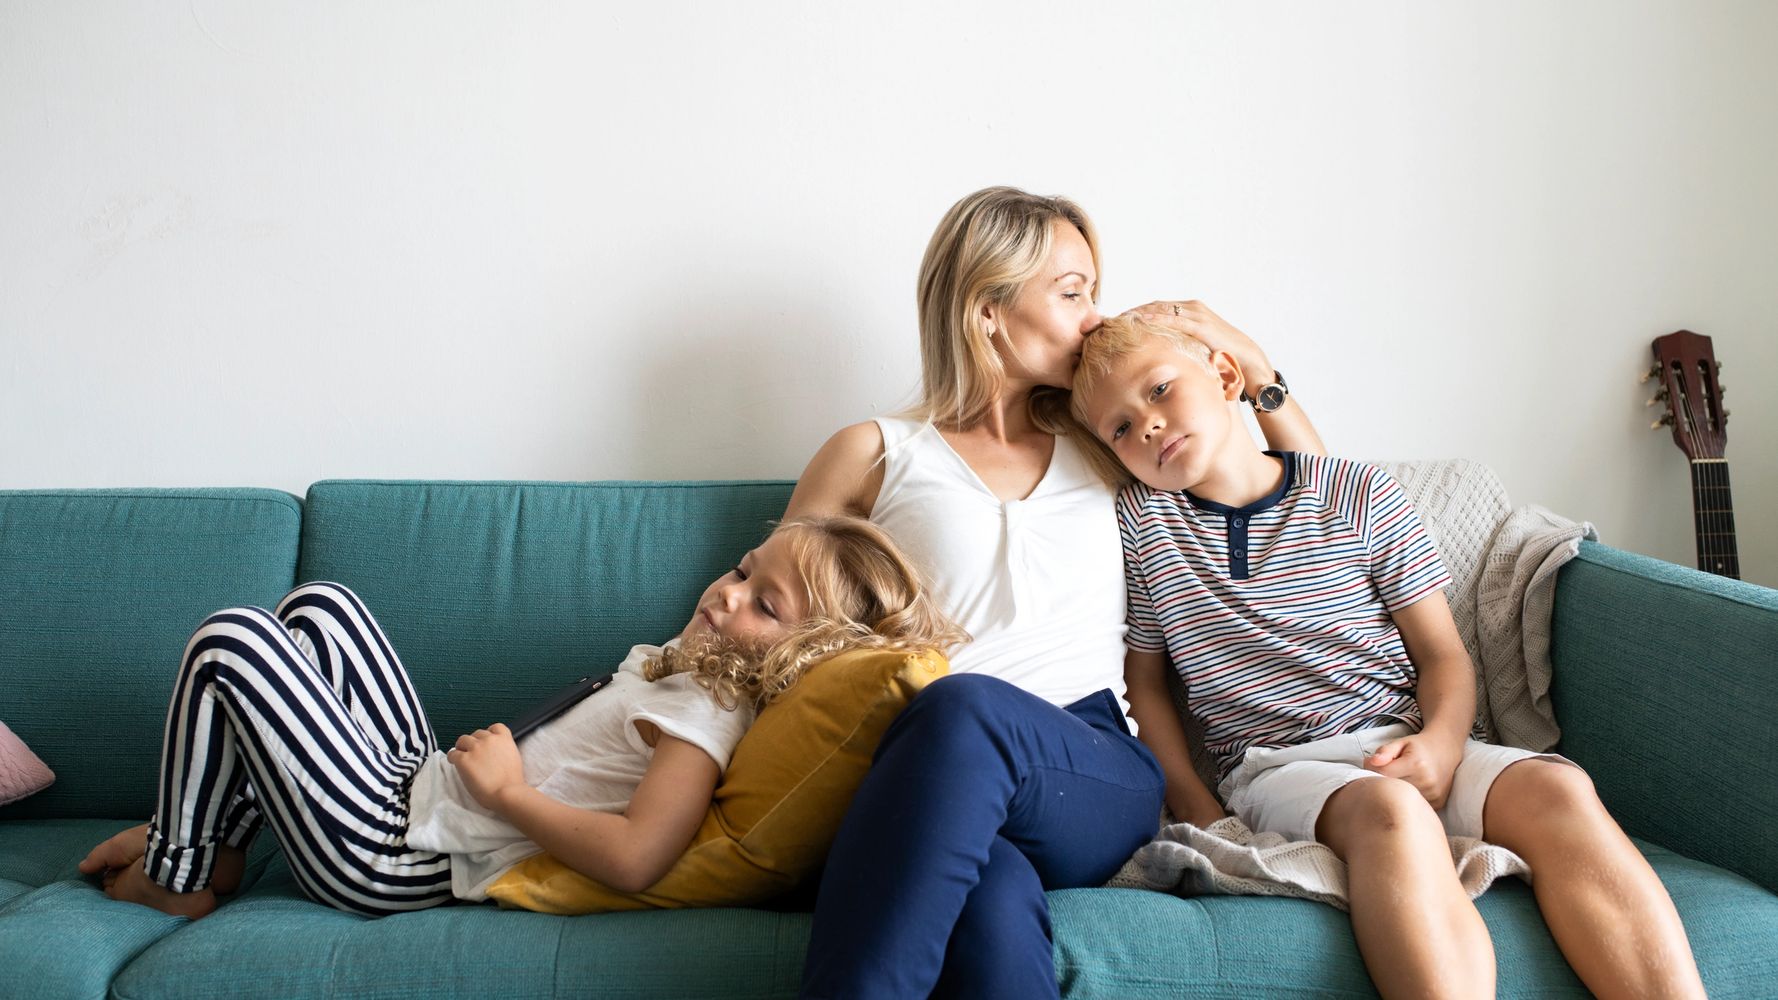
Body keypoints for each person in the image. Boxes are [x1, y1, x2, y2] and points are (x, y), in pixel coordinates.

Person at [786, 185, 1327, 999]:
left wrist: (1254, 370)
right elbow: (760, 617)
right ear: (987, 310)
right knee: (990, 903)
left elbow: (1305, 502)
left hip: (1092, 766)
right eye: (1072, 293)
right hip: (931, 769)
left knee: (967, 706)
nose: (1093, 319)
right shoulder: (875, 453)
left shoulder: (1110, 440)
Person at [1069, 312, 1707, 1000]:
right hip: (1281, 768)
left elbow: (1443, 654)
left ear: (1226, 377)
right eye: (1121, 429)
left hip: (1405, 735)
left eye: (1160, 391)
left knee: (1559, 789)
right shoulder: (1142, 523)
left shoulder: (1356, 491)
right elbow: (1147, 684)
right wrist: (1194, 802)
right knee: (1392, 814)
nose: (1149, 426)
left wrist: (1441, 741)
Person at [80, 515, 964, 920]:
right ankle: (218, 839)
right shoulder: (687, 664)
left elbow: (638, 856)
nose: (729, 596)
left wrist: (507, 796)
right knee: (321, 608)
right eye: (742, 569)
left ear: (804, 657)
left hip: (399, 854)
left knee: (233, 643)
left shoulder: (709, 709)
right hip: (415, 786)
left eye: (764, 606)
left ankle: (179, 868)